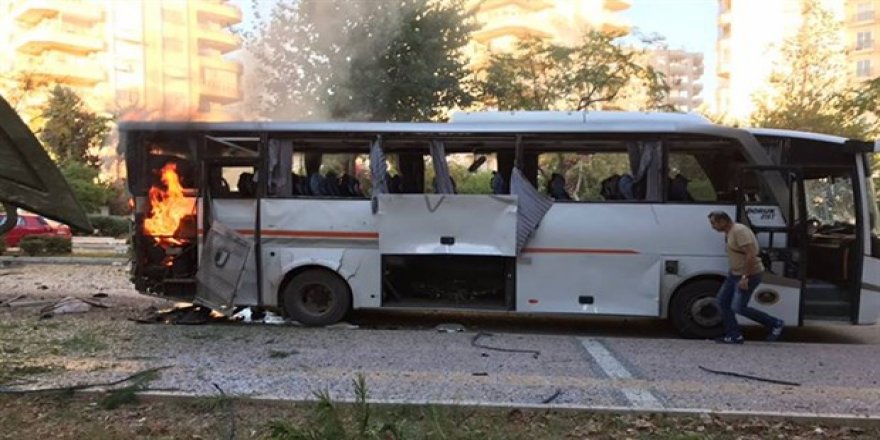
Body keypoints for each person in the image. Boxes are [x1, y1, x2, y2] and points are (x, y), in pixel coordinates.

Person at [708, 211, 784, 343]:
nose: (713, 227)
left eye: (714, 223)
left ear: (723, 221)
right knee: (722, 302)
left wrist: (745, 277)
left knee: (738, 307)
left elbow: (751, 254)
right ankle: (734, 335)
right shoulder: (730, 232)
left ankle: (775, 323)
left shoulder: (739, 231)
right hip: (734, 274)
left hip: (749, 274)